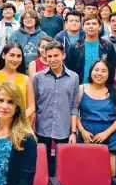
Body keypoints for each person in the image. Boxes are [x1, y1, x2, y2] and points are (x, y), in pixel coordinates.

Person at [33, 41, 80, 175]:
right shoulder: (38, 77)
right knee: (42, 166)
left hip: (64, 128)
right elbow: (34, 105)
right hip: (42, 128)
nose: (52, 60)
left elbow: (74, 106)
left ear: (63, 55)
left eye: (56, 56)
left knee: (64, 166)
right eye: (49, 57)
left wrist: (73, 132)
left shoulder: (74, 77)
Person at [77, 59, 116, 176]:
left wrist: (106, 133)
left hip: (111, 135)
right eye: (97, 70)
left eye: (104, 71)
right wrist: (82, 131)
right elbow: (73, 112)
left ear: (109, 73)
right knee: (86, 173)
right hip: (87, 135)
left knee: (111, 173)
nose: (99, 73)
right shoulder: (81, 89)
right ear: (91, 72)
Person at [64, 13, 116, 83]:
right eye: (88, 24)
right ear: (82, 27)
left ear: (100, 26)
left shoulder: (108, 46)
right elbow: (69, 70)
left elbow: (112, 69)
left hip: (102, 87)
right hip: (80, 87)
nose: (91, 26)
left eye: (94, 23)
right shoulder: (74, 47)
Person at [0, 43, 35, 120]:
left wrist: (18, 119)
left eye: (19, 56)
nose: (15, 59)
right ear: (3, 55)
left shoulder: (26, 79)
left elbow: (31, 107)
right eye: (12, 55)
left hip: (20, 126)